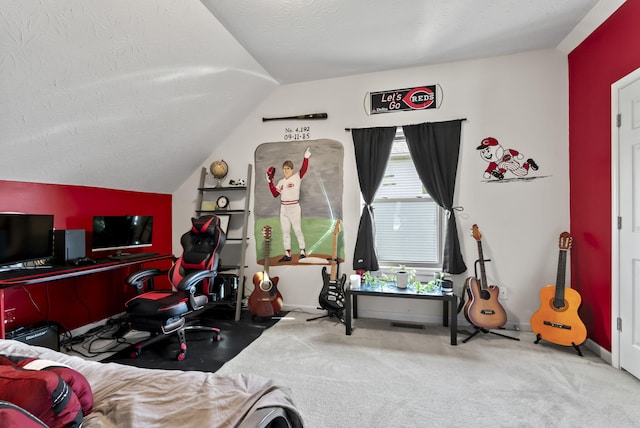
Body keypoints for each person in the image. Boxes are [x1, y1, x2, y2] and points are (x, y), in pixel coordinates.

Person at [266, 147, 311, 262]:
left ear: (291, 169)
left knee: (297, 229)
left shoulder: (296, 177)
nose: (286, 170)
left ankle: (302, 251)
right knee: (285, 231)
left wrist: (305, 158)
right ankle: (287, 254)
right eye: (284, 168)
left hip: (294, 207)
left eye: (288, 168)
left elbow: (304, 170)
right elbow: (275, 194)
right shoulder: (281, 182)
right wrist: (270, 182)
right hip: (284, 208)